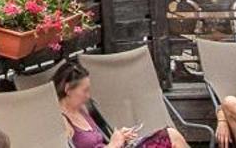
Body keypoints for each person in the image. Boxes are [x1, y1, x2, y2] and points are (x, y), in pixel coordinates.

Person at [57, 60, 186, 147]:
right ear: (68, 89)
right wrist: (113, 144)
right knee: (172, 137)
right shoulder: (62, 122)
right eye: (84, 90)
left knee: (172, 134)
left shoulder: (81, 109)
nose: (88, 95)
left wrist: (121, 138)